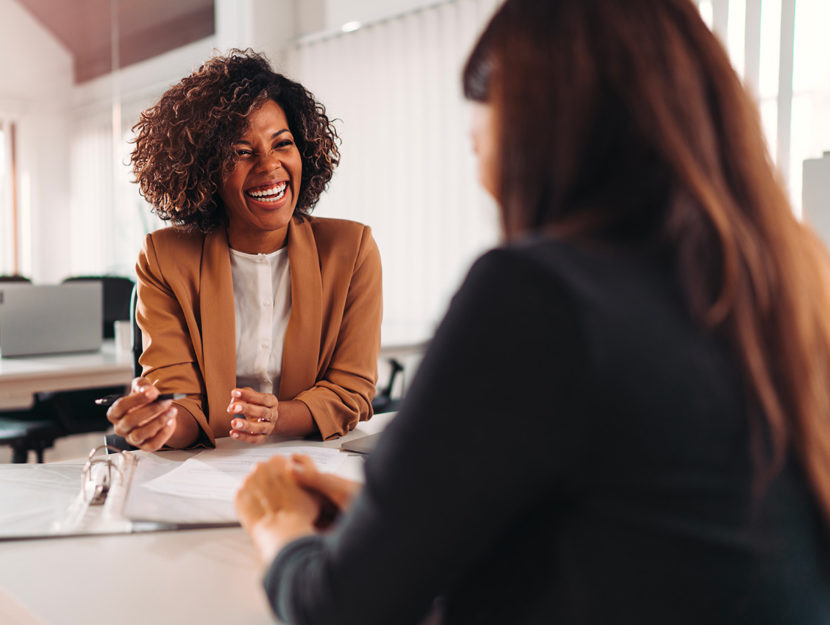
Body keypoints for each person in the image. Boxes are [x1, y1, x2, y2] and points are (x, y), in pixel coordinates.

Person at [235, 1, 830, 623]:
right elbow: (639, 534)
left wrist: (280, 528)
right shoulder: (783, 282)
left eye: (478, 147)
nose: (486, 180)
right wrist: (386, 517)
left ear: (534, 138)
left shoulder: (540, 295)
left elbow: (340, 609)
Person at [106, 50, 382, 450]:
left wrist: (276, 417)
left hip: (311, 459)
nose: (269, 166)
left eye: (282, 143)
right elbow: (181, 403)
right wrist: (159, 422)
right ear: (205, 169)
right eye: (241, 151)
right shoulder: (165, 257)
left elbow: (350, 391)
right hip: (205, 468)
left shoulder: (351, 250)